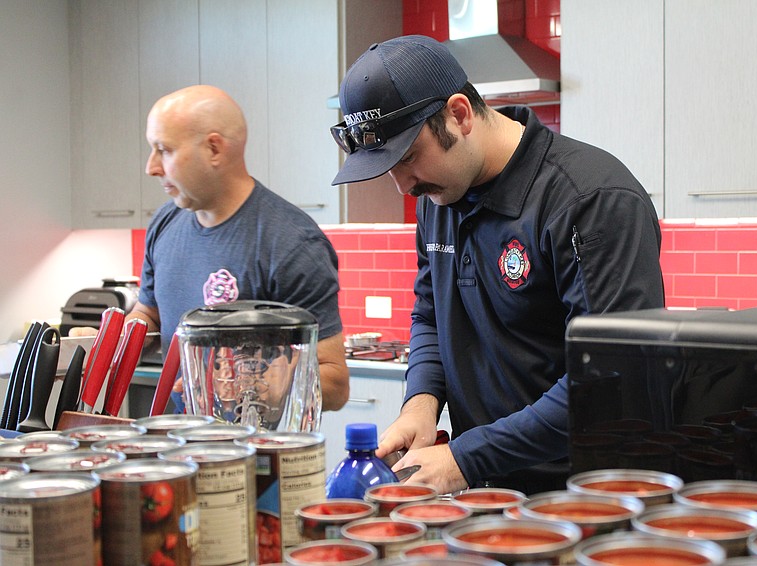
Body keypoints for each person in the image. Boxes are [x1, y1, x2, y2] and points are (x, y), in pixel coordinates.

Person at [330, 36, 664, 494]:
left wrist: (463, 458)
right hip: (488, 495)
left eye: (407, 157)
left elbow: (607, 380)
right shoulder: (438, 195)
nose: (403, 185)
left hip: (586, 498)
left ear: (460, 115)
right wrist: (421, 403)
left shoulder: (590, 200)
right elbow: (432, 314)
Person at [75, 85, 349, 411]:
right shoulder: (165, 224)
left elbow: (335, 383)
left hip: (259, 455)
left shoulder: (292, 243)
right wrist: (100, 346)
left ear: (214, 149)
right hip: (182, 445)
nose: (151, 167)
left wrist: (245, 384)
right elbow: (149, 313)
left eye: (164, 150)